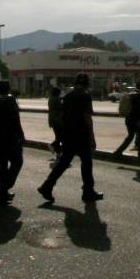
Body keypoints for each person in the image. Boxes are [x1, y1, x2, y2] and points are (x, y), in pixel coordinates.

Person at [38, 73, 103, 203]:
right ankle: (88, 192)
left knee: (64, 162)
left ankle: (47, 186)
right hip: (82, 134)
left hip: (69, 134)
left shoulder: (67, 96)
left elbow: (62, 115)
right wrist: (92, 137)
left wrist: (63, 134)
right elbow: (87, 117)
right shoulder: (85, 96)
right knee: (86, 163)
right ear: (87, 84)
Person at [0, 81, 25, 204]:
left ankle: (1, 192)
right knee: (17, 161)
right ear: (8, 89)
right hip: (9, 136)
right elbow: (15, 119)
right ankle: (5, 186)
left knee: (1, 164)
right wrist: (21, 134)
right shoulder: (9, 99)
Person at [113, 81, 140, 156]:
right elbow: (137, 109)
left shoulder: (132, 93)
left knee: (131, 136)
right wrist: (138, 120)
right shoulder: (138, 95)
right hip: (135, 120)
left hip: (129, 119)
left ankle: (118, 151)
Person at [47, 85, 64, 158]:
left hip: (52, 120)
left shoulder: (51, 98)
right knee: (60, 137)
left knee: (58, 136)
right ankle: (53, 146)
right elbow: (61, 108)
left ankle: (58, 153)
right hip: (57, 120)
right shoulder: (56, 100)